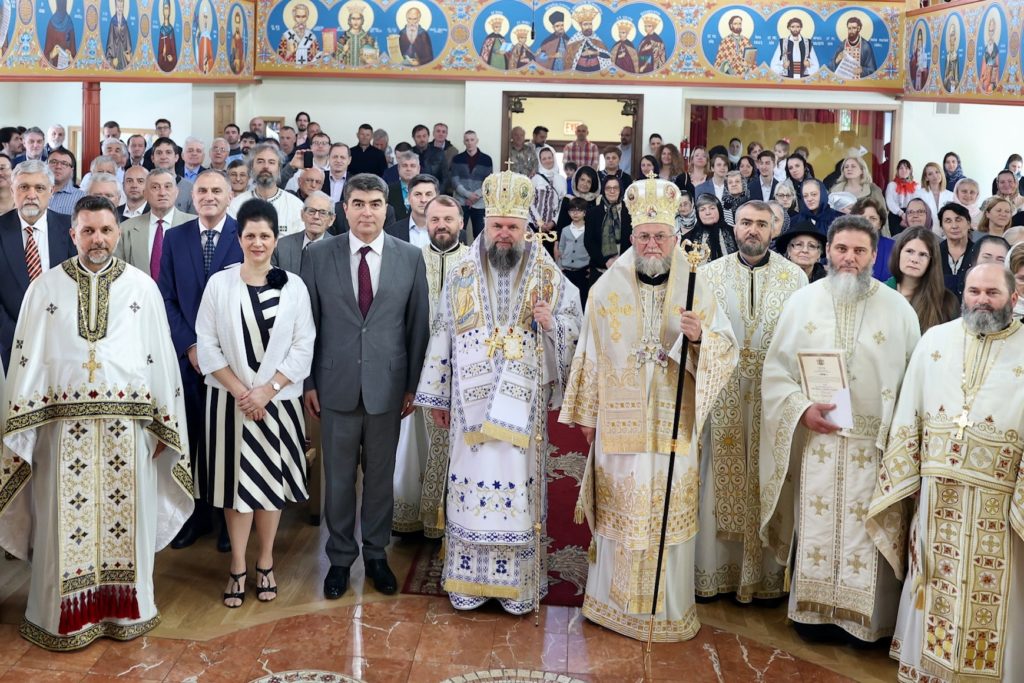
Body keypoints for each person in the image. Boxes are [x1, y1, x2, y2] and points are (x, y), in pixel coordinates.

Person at [0, 195, 190, 650]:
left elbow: (161, 359)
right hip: (61, 433)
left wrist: (164, 422)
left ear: (117, 233)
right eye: (88, 231)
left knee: (127, 525)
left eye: (106, 230)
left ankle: (127, 612)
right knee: (63, 527)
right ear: (73, 234)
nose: (97, 240)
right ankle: (61, 618)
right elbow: (27, 364)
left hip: (131, 431)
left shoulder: (142, 288)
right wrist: (22, 430)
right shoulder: (44, 289)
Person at [559, 175, 737, 640]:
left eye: (660, 236)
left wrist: (700, 338)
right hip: (618, 429)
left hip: (674, 426)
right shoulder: (605, 289)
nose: (652, 244)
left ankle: (667, 611)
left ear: (675, 238)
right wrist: (586, 416)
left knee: (665, 512)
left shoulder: (697, 286)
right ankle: (608, 604)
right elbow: (589, 354)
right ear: (632, 238)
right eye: (644, 236)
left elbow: (726, 349)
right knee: (620, 510)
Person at [414, 168, 581, 614]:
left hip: (520, 401)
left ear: (526, 228)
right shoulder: (464, 270)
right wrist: (437, 394)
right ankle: (469, 580)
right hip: (469, 400)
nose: (504, 234)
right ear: (484, 225)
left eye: (513, 226)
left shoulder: (546, 271)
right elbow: (444, 330)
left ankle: (516, 582)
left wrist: (553, 324)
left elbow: (572, 320)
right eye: (497, 226)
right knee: (468, 486)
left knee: (517, 488)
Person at [760, 215, 921, 644]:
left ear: (874, 256)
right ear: (828, 251)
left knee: (863, 534)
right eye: (842, 249)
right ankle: (811, 615)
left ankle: (863, 623)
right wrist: (801, 408)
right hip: (819, 440)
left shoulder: (899, 310)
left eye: (859, 251)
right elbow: (776, 373)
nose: (849, 258)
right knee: (816, 526)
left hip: (874, 447)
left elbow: (912, 383)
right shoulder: (802, 302)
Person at [866, 263, 1024, 683]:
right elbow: (907, 415)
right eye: (974, 291)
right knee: (934, 583)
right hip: (938, 496)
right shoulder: (935, 340)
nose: (981, 301)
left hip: (1001, 504)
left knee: (995, 594)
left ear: (1012, 295)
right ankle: (929, 669)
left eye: (992, 292)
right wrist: (909, 478)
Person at [301, 173, 429, 599]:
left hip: (388, 388)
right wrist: (309, 381)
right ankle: (339, 560)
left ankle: (376, 555)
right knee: (337, 481)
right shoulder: (320, 255)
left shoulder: (410, 257)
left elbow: (417, 327)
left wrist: (412, 385)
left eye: (375, 203)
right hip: (334, 386)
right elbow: (308, 325)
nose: (366, 212)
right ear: (345, 208)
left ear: (387, 209)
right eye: (358, 203)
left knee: (379, 479)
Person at [196, 198, 314, 607]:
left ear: (275, 238)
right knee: (237, 488)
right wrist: (242, 393)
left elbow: (304, 346)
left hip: (277, 403)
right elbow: (206, 346)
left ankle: (265, 562)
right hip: (229, 404)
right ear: (239, 238)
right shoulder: (220, 284)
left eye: (265, 235)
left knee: (270, 487)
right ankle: (238, 565)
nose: (258, 242)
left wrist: (267, 390)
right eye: (250, 235)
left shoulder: (294, 286)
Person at [696, 201, 806, 603]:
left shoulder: (795, 278)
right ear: (735, 226)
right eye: (746, 223)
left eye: (761, 224)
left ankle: (762, 580)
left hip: (772, 395)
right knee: (716, 479)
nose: (753, 231)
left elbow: (803, 338)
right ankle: (713, 572)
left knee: (766, 472)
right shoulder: (708, 275)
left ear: (773, 229)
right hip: (722, 391)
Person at [158, 170, 244, 550]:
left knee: (229, 444)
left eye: (216, 191)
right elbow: (167, 297)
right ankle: (196, 519)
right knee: (193, 442)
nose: (209, 197)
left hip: (235, 363)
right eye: (203, 191)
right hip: (189, 364)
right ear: (193, 198)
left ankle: (230, 523)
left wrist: (221, 352)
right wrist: (191, 346)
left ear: (230, 197)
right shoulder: (175, 238)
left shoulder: (244, 235)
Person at [413, 196, 469, 537]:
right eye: (435, 219)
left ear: (461, 222)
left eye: (448, 218)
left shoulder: (475, 262)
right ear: (425, 222)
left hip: (462, 369)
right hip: (417, 364)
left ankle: (454, 517)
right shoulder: (412, 259)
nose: (441, 225)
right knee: (414, 445)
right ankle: (415, 515)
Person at [0, 160, 76, 369]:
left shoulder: (72, 229)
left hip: (66, 342)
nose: (31, 194)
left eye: (40, 188)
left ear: (51, 191)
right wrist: (15, 338)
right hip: (10, 347)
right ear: (13, 189)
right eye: (24, 187)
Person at [115, 168, 195, 277]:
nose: (162, 193)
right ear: (145, 194)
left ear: (177, 192)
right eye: (155, 187)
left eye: (167, 187)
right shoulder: (126, 229)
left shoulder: (195, 226)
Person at [885, 227, 958, 333]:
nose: (914, 259)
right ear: (898, 253)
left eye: (923, 254)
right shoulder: (879, 293)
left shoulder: (947, 302)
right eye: (909, 251)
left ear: (932, 261)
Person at [228, 144, 304, 235]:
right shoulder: (237, 204)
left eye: (271, 162)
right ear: (251, 168)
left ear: (279, 168)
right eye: (260, 161)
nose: (266, 166)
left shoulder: (295, 205)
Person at [583, 176, 631, 287]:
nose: (612, 191)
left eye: (615, 188)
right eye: (608, 188)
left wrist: (621, 261)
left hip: (625, 269)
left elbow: (634, 240)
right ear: (603, 191)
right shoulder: (592, 213)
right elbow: (589, 242)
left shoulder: (630, 213)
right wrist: (606, 261)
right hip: (599, 270)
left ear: (621, 190)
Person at [450, 130, 492, 239]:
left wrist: (475, 196)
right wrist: (468, 195)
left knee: (480, 235)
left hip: (479, 204)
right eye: (467, 140)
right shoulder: (457, 159)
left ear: (477, 141)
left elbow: (488, 182)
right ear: (464, 142)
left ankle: (477, 256)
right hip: (461, 202)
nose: (469, 142)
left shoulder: (487, 160)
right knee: (458, 233)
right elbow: (454, 181)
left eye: (472, 140)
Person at [937, 203, 977, 300]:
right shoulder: (933, 253)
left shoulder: (978, 252)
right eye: (948, 221)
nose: (954, 226)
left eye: (958, 220)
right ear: (942, 227)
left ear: (968, 224)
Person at [850, 195, 895, 280]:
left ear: (880, 224)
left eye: (873, 218)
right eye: (862, 218)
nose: (867, 222)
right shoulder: (844, 245)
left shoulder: (893, 247)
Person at [559, 197, 591, 304]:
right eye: (572, 211)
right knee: (567, 298)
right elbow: (561, 248)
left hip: (583, 271)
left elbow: (592, 250)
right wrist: (560, 266)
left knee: (582, 298)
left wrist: (590, 267)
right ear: (568, 213)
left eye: (579, 210)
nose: (575, 213)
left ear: (584, 213)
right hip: (567, 270)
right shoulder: (565, 230)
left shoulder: (588, 230)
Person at [690, 193, 738, 261]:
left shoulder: (734, 232)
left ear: (719, 210)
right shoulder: (690, 237)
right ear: (698, 214)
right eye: (702, 209)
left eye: (712, 208)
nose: (707, 213)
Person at [914, 162, 954, 229]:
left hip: (946, 233)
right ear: (926, 178)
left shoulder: (951, 195)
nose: (935, 176)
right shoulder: (919, 194)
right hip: (926, 233)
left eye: (937, 172)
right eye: (930, 174)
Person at [884, 159, 917, 232]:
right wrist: (901, 214)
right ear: (897, 170)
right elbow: (890, 202)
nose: (903, 170)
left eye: (906, 168)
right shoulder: (892, 185)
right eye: (901, 168)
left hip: (911, 215)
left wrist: (908, 216)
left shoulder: (916, 186)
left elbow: (917, 203)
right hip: (895, 215)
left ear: (910, 170)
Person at [104, 0, 133, 70]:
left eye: (121, 7)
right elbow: (110, 42)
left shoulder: (125, 23)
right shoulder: (112, 22)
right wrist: (111, 59)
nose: (120, 9)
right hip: (115, 56)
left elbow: (128, 41)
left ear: (123, 7)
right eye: (118, 6)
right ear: (115, 7)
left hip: (123, 57)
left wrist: (128, 53)